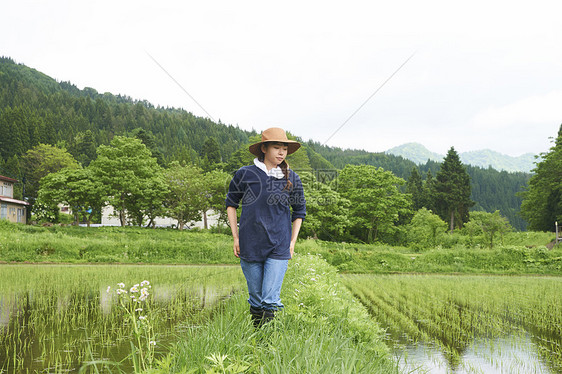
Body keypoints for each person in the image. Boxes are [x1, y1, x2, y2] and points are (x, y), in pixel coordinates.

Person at [226, 127, 306, 327]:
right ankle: (257, 345)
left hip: (278, 245)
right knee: (256, 298)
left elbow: (299, 212)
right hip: (249, 244)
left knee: (270, 300)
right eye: (276, 147)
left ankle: (269, 345)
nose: (281, 153)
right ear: (264, 148)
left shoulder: (292, 178)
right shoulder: (245, 174)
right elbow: (231, 204)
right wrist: (236, 238)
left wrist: (292, 242)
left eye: (284, 149)